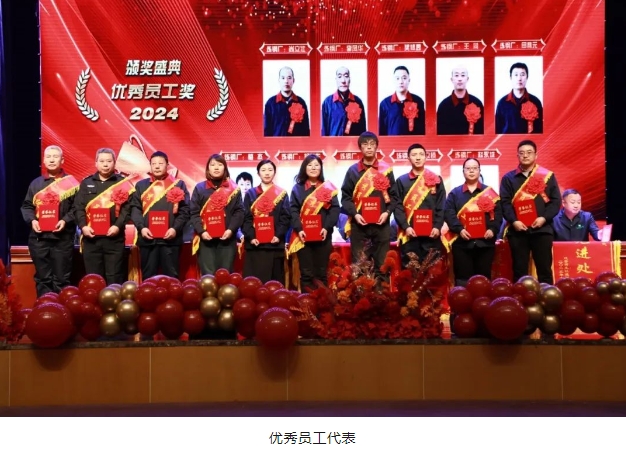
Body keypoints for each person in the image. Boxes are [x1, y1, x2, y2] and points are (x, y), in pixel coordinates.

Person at [20, 145, 79, 296]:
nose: (52, 160)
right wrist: (32, 221)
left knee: (62, 280)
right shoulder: (36, 184)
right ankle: (44, 308)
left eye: (55, 157)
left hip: (62, 239)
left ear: (62, 160)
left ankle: (62, 310)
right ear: (44, 161)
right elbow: (27, 206)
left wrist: (65, 220)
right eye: (48, 157)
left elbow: (77, 208)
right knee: (43, 279)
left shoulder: (72, 183)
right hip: (39, 239)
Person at [499, 139, 561, 284]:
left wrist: (544, 218)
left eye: (529, 152)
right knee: (519, 270)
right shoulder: (508, 178)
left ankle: (547, 297)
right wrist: (514, 221)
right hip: (518, 232)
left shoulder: (547, 176)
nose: (525, 155)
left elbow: (555, 202)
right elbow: (505, 203)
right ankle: (520, 297)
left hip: (542, 230)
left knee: (544, 270)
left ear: (536, 155)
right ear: (517, 156)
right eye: (521, 153)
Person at [74, 148, 135, 285]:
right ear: (96, 163)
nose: (105, 164)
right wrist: (83, 226)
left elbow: (127, 209)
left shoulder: (122, 183)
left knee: (115, 278)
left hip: (114, 239)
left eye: (109, 161)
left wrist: (117, 226)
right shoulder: (86, 183)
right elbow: (78, 208)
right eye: (101, 161)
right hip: (91, 239)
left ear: (114, 163)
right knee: (94, 280)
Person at [340, 132, 396, 279]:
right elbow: (345, 198)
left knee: (382, 266)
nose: (369, 147)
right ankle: (361, 294)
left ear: (377, 147)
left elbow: (394, 197)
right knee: (360, 267)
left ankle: (382, 293)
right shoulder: (353, 171)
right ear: (360, 148)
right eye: (365, 144)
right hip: (359, 226)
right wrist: (355, 214)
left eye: (372, 144)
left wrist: (387, 213)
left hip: (382, 225)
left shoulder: (386, 169)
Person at [130, 151, 190, 280]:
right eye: (154, 164)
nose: (157, 166)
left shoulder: (178, 184)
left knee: (172, 278)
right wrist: (142, 228)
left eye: (160, 163)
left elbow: (185, 210)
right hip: (147, 239)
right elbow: (135, 209)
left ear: (167, 165)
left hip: (171, 239)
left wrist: (175, 229)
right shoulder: (141, 185)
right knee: (148, 278)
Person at [444, 158, 502, 286]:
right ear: (463, 171)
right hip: (462, 244)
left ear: (479, 171)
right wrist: (460, 229)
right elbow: (449, 214)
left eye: (475, 168)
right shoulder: (455, 194)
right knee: (463, 280)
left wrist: (492, 229)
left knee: (483, 280)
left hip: (485, 244)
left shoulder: (490, 193)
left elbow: (498, 214)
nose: (471, 171)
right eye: (468, 168)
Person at [288, 155, 340, 292]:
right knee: (306, 273)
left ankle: (322, 303)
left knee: (321, 273)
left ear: (321, 168)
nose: (313, 168)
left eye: (316, 165)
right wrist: (299, 229)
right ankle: (307, 302)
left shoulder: (328, 188)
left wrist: (327, 227)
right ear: (304, 168)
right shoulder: (297, 189)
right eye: (310, 165)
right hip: (303, 237)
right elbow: (293, 210)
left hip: (323, 236)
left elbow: (335, 209)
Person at [189, 154, 243, 276]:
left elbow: (239, 212)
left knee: (225, 275)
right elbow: (194, 212)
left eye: (220, 164)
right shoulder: (200, 188)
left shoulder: (234, 189)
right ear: (208, 168)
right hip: (206, 240)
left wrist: (230, 230)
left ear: (225, 168)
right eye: (213, 165)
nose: (216, 168)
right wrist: (202, 232)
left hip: (227, 240)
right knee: (208, 277)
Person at [393, 143, 445, 266]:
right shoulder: (401, 181)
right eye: (414, 155)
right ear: (408, 158)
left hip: (432, 234)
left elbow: (442, 205)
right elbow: (397, 206)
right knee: (410, 272)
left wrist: (437, 226)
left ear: (426, 157)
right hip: (410, 234)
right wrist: (406, 227)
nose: (418, 158)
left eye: (421, 154)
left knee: (432, 272)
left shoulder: (436, 179)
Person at [242, 159, 291, 283]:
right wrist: (251, 237)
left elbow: (286, 217)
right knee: (254, 284)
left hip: (274, 244)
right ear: (258, 173)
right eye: (263, 170)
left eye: (270, 170)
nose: (267, 173)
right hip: (255, 245)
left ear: (274, 172)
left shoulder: (282, 193)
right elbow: (246, 218)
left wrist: (278, 235)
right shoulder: (250, 193)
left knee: (274, 284)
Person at [495, 62, 543, 134]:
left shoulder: (535, 101)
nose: (519, 78)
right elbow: (497, 129)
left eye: (522, 75)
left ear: (527, 77)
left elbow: (540, 129)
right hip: (508, 140)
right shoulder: (502, 103)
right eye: (516, 75)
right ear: (511, 77)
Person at [379, 65, 426, 135]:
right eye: (397, 78)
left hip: (413, 142)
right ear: (393, 81)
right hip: (392, 142)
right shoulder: (385, 104)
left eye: (404, 78)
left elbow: (423, 128)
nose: (401, 81)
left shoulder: (418, 101)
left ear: (409, 80)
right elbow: (381, 131)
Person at [263, 67, 310, 136]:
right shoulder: (270, 103)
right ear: (279, 80)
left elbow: (306, 131)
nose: (286, 81)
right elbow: (266, 131)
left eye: (289, 78)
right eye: (283, 78)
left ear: (293, 80)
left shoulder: (301, 102)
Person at [437, 66, 484, 135]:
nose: (459, 79)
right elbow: (440, 132)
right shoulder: (443, 105)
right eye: (456, 75)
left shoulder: (477, 103)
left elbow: (481, 131)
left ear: (467, 79)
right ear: (452, 79)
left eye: (463, 75)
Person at [321, 66, 366, 136]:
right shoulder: (327, 102)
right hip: (333, 143)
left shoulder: (358, 102)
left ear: (350, 79)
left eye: (346, 76)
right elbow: (324, 130)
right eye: (339, 77)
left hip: (352, 143)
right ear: (336, 80)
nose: (343, 81)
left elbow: (362, 130)